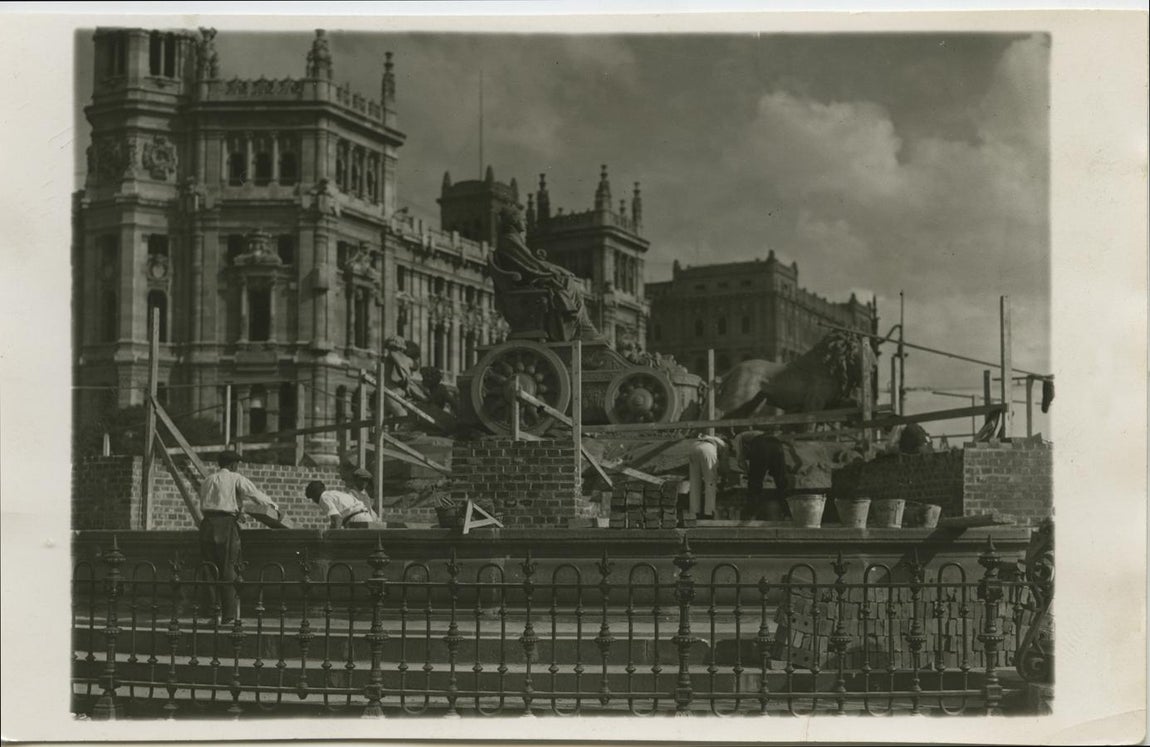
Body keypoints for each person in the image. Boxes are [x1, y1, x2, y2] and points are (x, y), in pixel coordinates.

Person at [198, 450, 278, 623]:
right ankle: (229, 615)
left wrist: (237, 510)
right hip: (226, 526)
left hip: (206, 525)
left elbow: (212, 502)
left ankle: (213, 614)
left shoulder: (207, 480)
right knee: (229, 567)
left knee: (209, 569)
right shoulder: (236, 478)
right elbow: (255, 495)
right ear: (233, 465)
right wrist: (274, 506)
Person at [732, 431, 791, 521]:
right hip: (776, 444)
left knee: (754, 483)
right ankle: (788, 513)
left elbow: (740, 461)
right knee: (781, 482)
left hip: (761, 445)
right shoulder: (756, 434)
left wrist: (749, 473)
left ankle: (751, 515)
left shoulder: (738, 437)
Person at [686, 432, 727, 520]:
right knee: (711, 482)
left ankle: (694, 512)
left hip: (694, 447)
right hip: (708, 449)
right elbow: (724, 465)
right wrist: (724, 477)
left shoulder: (710, 438)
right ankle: (709, 512)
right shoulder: (724, 444)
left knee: (694, 482)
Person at [305, 480, 376, 529]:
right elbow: (335, 521)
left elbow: (337, 519)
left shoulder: (323, 497)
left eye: (312, 498)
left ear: (315, 495)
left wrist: (331, 538)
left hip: (356, 519)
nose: (314, 501)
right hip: (365, 517)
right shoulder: (333, 494)